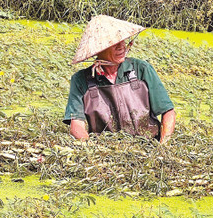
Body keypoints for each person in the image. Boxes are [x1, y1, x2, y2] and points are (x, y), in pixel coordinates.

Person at [63, 15, 176, 143]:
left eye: (122, 40)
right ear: (99, 49)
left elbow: (168, 112)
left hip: (148, 146)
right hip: (106, 150)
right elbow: (76, 126)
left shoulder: (141, 69)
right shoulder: (81, 80)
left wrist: (163, 146)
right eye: (114, 43)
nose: (121, 46)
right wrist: (92, 150)